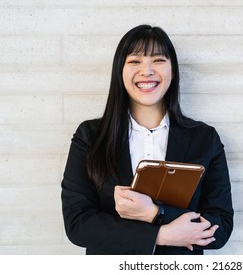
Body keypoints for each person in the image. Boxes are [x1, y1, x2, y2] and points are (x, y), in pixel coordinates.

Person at [61, 24, 234, 255]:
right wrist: (161, 235)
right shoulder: (91, 136)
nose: (147, 70)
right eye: (135, 61)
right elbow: (78, 223)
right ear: (120, 71)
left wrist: (156, 213)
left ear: (173, 71)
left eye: (159, 60)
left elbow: (220, 228)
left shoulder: (204, 139)